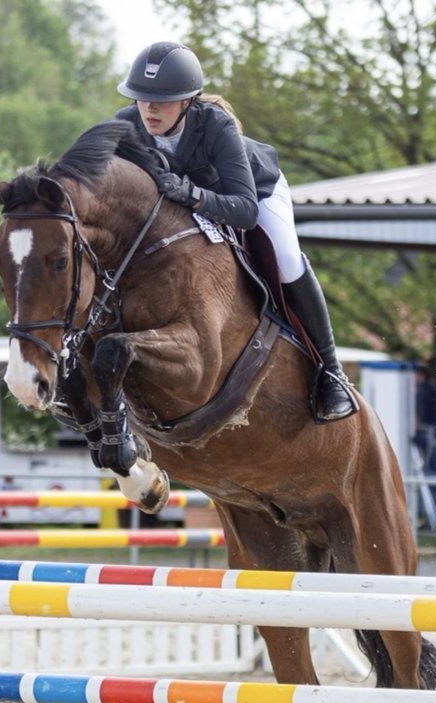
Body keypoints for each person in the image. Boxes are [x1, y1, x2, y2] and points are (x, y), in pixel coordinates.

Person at [115, 41, 357, 422]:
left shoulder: (215, 125)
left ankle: (331, 372)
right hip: (188, 206)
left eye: (161, 100)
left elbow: (244, 211)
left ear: (188, 101)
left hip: (255, 192)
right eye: (142, 98)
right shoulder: (126, 126)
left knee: (287, 261)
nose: (149, 108)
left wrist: (191, 194)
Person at [413, 367, 436, 463]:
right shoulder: (431, 389)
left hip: (426, 428)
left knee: (425, 457)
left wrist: (420, 421)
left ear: (421, 376)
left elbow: (422, 411)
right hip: (433, 428)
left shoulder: (422, 391)